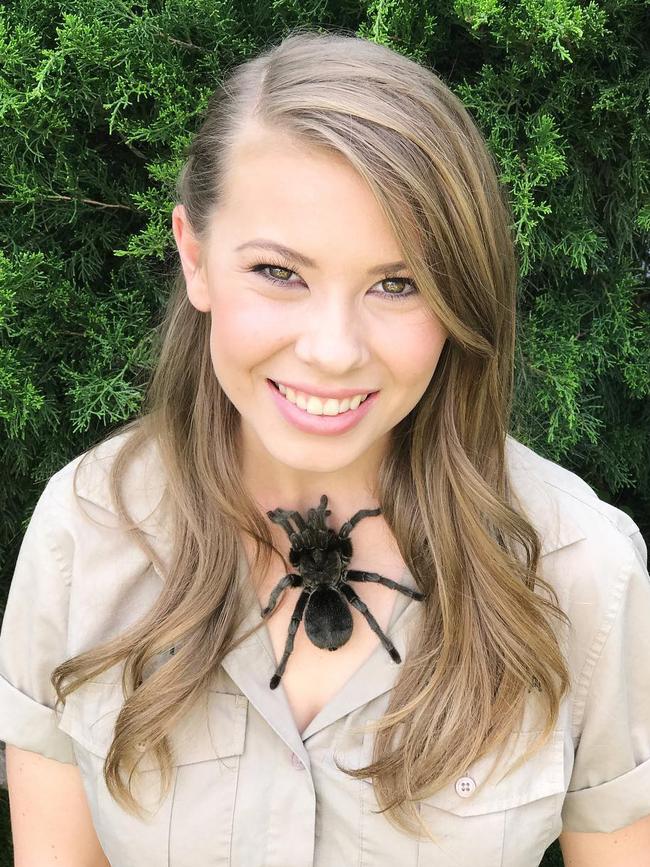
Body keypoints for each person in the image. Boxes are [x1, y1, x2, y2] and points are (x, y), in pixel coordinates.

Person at [1, 27, 649, 867]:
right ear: (194, 258)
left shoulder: (581, 569)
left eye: (398, 282)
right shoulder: (84, 530)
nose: (333, 349)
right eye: (279, 271)